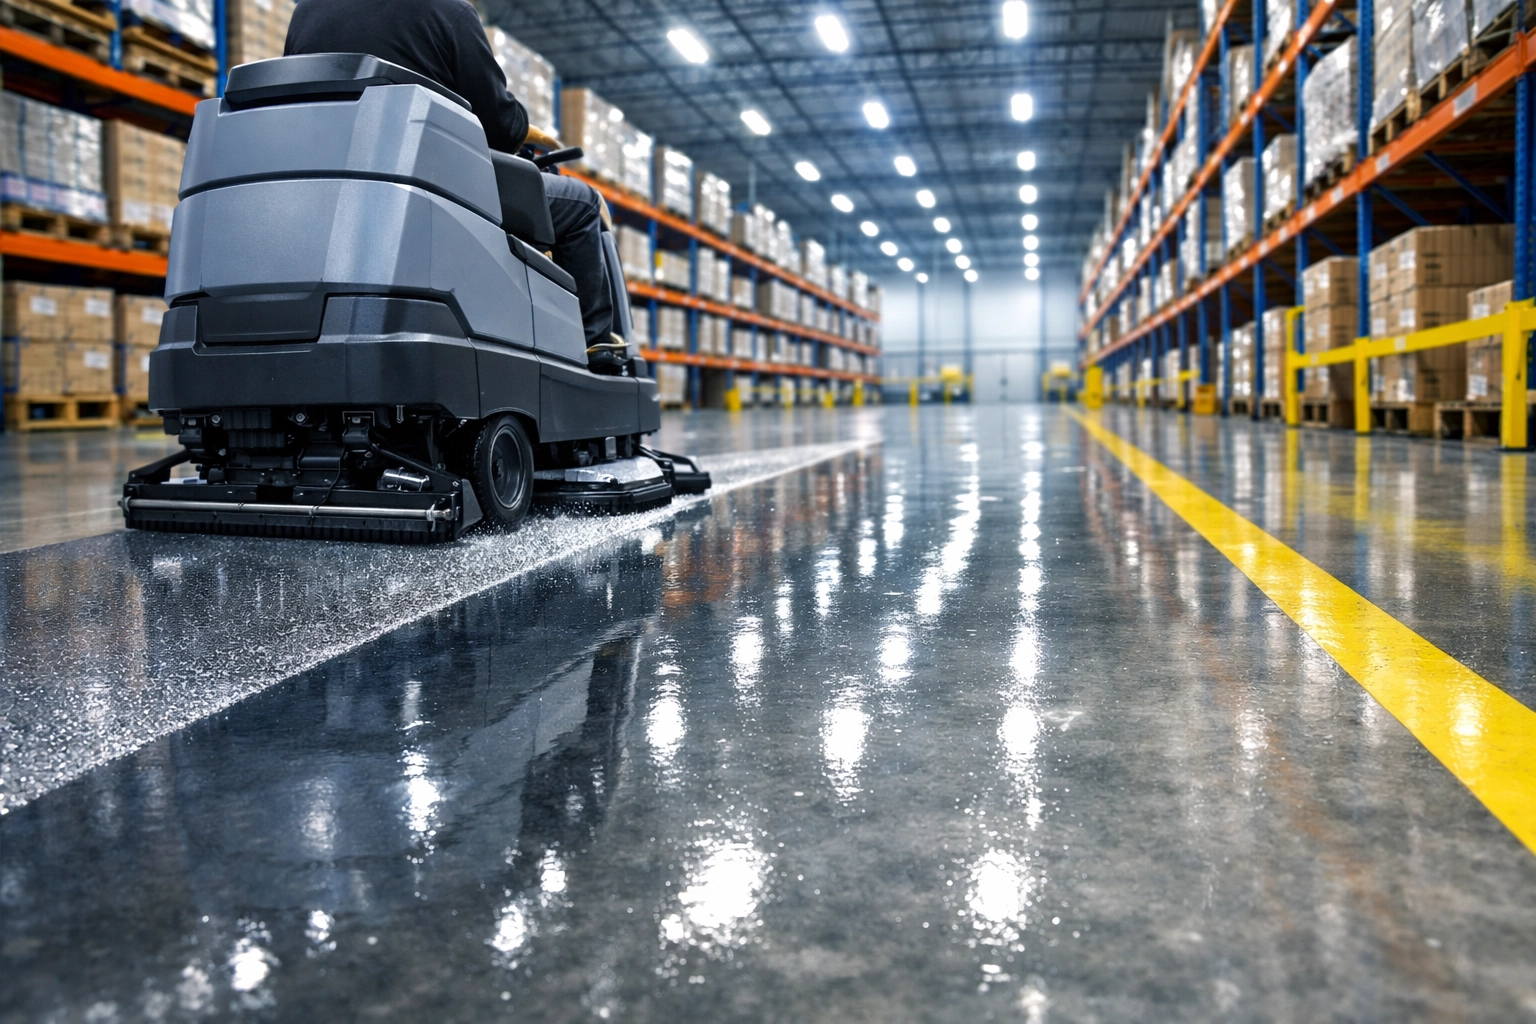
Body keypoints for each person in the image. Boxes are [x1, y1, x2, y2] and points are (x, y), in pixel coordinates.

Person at [284, 0, 626, 372]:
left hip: (326, 179)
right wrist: (526, 127)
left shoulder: (307, 11)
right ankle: (596, 348)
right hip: (434, 179)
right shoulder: (449, 11)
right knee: (583, 203)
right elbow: (500, 126)